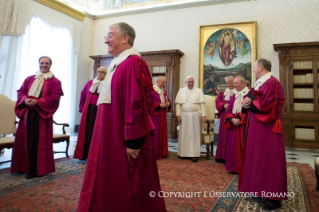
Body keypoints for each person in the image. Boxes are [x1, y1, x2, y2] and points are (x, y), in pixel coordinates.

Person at [77, 22, 166, 212]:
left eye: (110, 35)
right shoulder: (118, 63)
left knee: (130, 183)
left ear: (125, 38)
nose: (105, 39)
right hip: (110, 133)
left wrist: (134, 141)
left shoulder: (134, 63)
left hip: (123, 138)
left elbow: (137, 103)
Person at [240, 59, 287, 210]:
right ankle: (258, 190)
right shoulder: (260, 83)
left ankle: (273, 197)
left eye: (254, 67)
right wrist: (245, 103)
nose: (253, 70)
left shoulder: (272, 83)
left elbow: (268, 104)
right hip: (257, 128)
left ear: (260, 67)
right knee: (257, 158)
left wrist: (251, 103)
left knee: (269, 159)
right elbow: (250, 98)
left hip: (267, 130)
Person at [11, 56, 64, 179]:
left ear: (50, 65)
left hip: (41, 115)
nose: (43, 65)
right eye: (41, 63)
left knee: (37, 143)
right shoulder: (29, 79)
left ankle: (36, 170)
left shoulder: (55, 82)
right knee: (23, 140)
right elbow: (21, 92)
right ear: (38, 64)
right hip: (27, 114)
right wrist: (25, 100)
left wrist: (38, 102)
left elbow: (55, 98)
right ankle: (22, 167)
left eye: (46, 63)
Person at [73, 67, 107, 160]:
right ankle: (84, 154)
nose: (100, 74)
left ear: (106, 74)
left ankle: (95, 155)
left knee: (97, 133)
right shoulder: (90, 83)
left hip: (100, 111)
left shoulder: (107, 85)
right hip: (88, 110)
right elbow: (83, 94)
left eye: (102, 72)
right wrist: (82, 107)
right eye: (98, 72)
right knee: (86, 131)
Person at [224, 76, 249, 187]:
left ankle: (243, 168)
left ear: (243, 84)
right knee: (233, 146)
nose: (234, 85)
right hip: (234, 124)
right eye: (234, 83)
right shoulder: (234, 95)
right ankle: (234, 167)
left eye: (236, 83)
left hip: (244, 126)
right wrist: (232, 119)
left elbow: (250, 111)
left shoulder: (248, 95)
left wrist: (241, 119)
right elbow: (229, 110)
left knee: (244, 147)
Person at [175, 76, 207, 163]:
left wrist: (204, 115)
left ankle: (194, 154)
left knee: (195, 135)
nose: (190, 84)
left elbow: (202, 104)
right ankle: (183, 153)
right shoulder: (181, 91)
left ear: (194, 82)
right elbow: (178, 104)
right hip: (184, 116)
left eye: (192, 82)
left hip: (195, 116)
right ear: (186, 82)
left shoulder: (199, 91)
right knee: (184, 134)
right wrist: (178, 114)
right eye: (189, 82)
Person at [215, 76, 235, 163]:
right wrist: (223, 105)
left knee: (232, 137)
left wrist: (230, 106)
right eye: (227, 83)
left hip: (233, 116)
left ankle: (231, 158)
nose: (228, 84)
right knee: (223, 137)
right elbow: (217, 102)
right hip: (224, 116)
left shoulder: (238, 92)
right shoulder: (222, 93)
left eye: (230, 82)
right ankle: (222, 156)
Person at [152, 76, 171, 160]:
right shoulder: (152, 91)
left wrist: (168, 104)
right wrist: (159, 105)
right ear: (157, 81)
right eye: (162, 82)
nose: (164, 84)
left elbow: (168, 100)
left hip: (163, 114)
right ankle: (155, 153)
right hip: (155, 116)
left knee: (162, 132)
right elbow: (149, 102)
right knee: (156, 133)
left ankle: (163, 152)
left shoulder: (163, 91)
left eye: (164, 82)